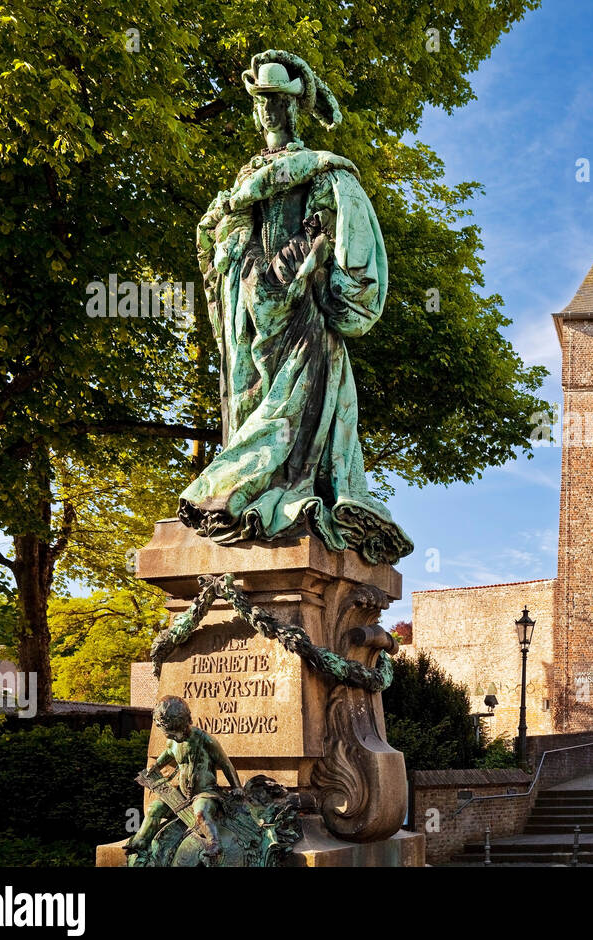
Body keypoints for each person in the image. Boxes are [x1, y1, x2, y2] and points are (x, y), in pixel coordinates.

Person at [180, 49, 412, 566]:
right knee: (250, 405)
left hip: (303, 317)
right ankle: (243, 493)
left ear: (294, 107)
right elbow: (220, 244)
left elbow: (351, 251)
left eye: (278, 101)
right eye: (262, 101)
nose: (269, 111)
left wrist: (319, 280)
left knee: (292, 412)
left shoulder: (325, 174)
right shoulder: (245, 181)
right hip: (251, 312)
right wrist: (241, 260)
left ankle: (248, 491)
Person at [127, 696, 242, 863]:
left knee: (201, 813)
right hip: (181, 794)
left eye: (175, 734)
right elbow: (167, 754)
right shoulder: (172, 742)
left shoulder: (205, 739)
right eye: (170, 736)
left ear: (184, 723)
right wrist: (156, 766)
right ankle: (140, 842)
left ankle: (213, 843)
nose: (174, 738)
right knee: (154, 808)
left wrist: (237, 786)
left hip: (205, 793)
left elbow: (226, 764)